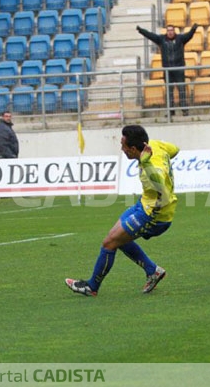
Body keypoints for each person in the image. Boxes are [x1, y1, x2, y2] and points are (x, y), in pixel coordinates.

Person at [65, 125, 178, 296]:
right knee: (116, 237)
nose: (122, 149)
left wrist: (148, 163)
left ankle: (91, 287)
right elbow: (175, 149)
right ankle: (152, 270)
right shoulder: (155, 145)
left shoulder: (151, 168)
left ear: (133, 149)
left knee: (109, 243)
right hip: (144, 203)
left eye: (123, 146)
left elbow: (161, 187)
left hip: (154, 215)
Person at [136, 23, 198, 116]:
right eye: (168, 30)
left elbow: (189, 35)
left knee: (181, 90)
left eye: (171, 30)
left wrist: (193, 29)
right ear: (166, 32)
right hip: (167, 70)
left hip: (179, 69)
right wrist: (141, 30)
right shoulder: (161, 39)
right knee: (169, 92)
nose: (170, 32)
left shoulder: (180, 39)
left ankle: (184, 110)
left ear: (174, 31)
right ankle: (171, 111)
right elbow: (150, 35)